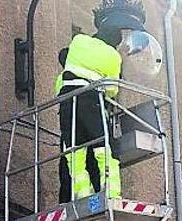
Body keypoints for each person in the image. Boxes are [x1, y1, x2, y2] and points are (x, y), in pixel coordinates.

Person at [56, 0, 148, 204]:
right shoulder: (113, 56)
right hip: (91, 100)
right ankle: (111, 193)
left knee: (73, 152)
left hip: (66, 104)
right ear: (114, 42)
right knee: (103, 147)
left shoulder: (77, 43)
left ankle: (80, 195)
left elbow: (60, 86)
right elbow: (111, 90)